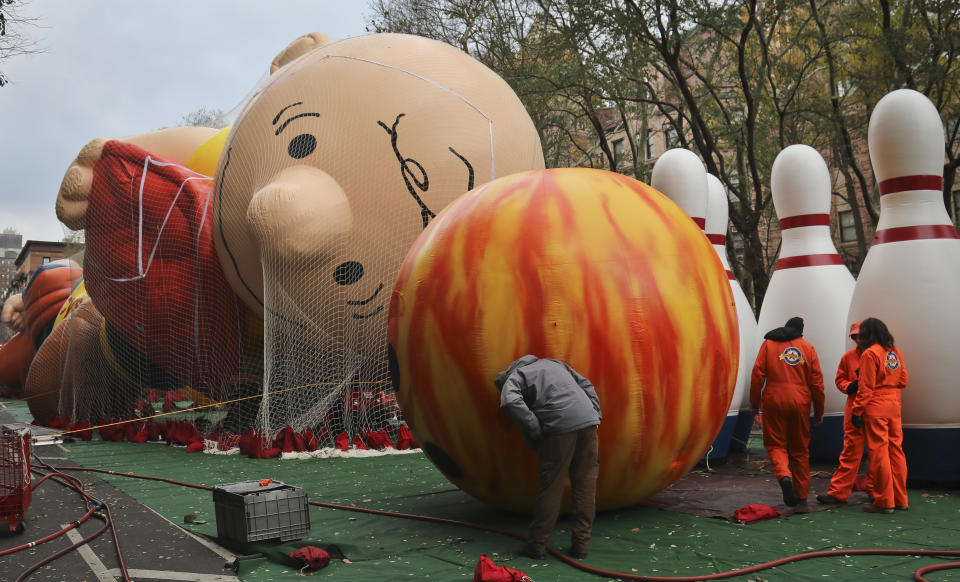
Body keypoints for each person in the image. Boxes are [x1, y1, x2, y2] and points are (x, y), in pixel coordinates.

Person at [495, 355, 601, 560]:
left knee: (551, 487)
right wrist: (595, 412)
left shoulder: (515, 376)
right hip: (588, 423)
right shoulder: (554, 363)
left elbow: (509, 401)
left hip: (559, 429)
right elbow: (586, 384)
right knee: (586, 485)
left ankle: (536, 545)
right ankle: (581, 546)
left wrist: (534, 427)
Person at [750, 316, 825, 511]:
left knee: (776, 444)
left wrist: (754, 402)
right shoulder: (808, 349)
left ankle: (784, 476)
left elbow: (757, 375)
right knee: (800, 450)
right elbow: (817, 384)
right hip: (800, 401)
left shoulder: (769, 344)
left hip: (774, 399)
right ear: (801, 331)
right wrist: (819, 411)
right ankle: (801, 498)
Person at [850, 317, 909, 514]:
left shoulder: (869, 354)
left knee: (879, 454)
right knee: (896, 452)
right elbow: (903, 380)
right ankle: (901, 499)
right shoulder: (894, 351)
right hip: (894, 405)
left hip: (876, 406)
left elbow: (865, 388)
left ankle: (884, 502)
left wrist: (857, 410)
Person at [817, 321, 873, 505]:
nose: (858, 339)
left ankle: (877, 491)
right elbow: (840, 379)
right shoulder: (848, 357)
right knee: (851, 452)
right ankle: (838, 493)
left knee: (878, 452)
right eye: (855, 336)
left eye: (861, 335)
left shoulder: (879, 354)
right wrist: (850, 386)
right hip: (855, 406)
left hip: (873, 407)